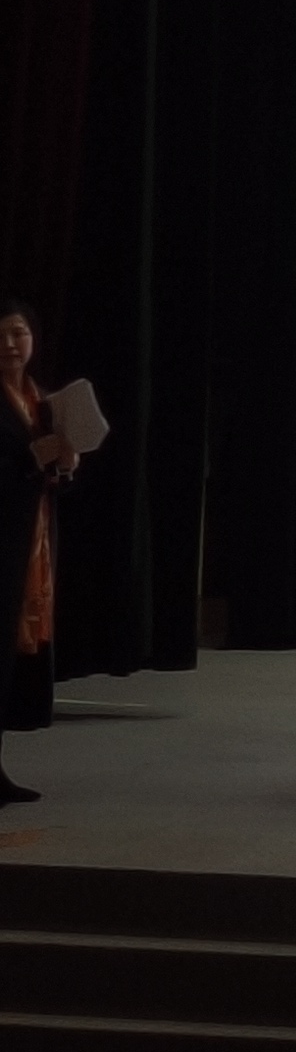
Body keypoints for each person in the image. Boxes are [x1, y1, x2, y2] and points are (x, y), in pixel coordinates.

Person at [0, 302, 75, 804]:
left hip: (29, 543)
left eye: (18, 333)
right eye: (2, 335)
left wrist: (63, 465)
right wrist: (33, 462)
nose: (10, 345)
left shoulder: (41, 399)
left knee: (8, 660)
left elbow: (46, 478)